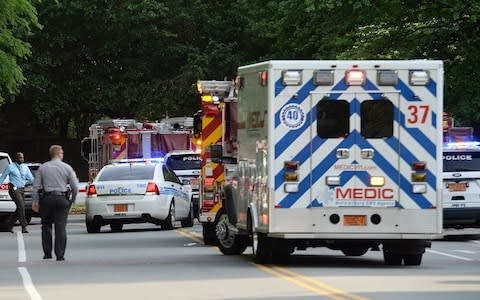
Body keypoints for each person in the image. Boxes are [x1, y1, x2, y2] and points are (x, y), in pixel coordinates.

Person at [33, 145, 78, 261]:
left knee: (46, 225)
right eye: (62, 153)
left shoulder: (42, 168)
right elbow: (75, 186)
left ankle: (47, 253)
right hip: (62, 199)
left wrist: (35, 202)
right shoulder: (67, 167)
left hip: (47, 199)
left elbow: (36, 187)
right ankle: (60, 254)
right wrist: (72, 200)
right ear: (59, 154)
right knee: (60, 226)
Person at [0, 152, 34, 233]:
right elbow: (3, 177)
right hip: (13, 189)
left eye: (22, 157)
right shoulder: (10, 167)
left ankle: (9, 223)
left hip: (22, 189)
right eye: (20, 158)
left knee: (19, 208)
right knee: (21, 206)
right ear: (16, 159)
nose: (22, 159)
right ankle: (24, 226)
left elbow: (31, 178)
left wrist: (37, 184)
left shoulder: (25, 167)